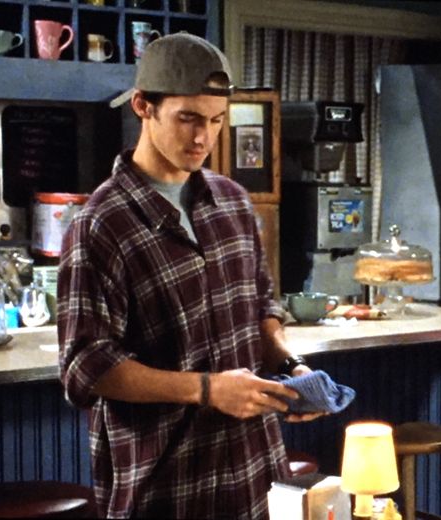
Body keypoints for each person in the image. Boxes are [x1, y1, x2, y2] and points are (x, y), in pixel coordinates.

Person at [58, 32, 323, 520]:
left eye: (216, 121)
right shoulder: (102, 223)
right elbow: (85, 366)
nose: (203, 137)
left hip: (254, 472)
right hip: (165, 484)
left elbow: (262, 308)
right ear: (143, 106)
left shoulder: (234, 204)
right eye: (188, 119)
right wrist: (206, 389)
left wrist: (291, 369)